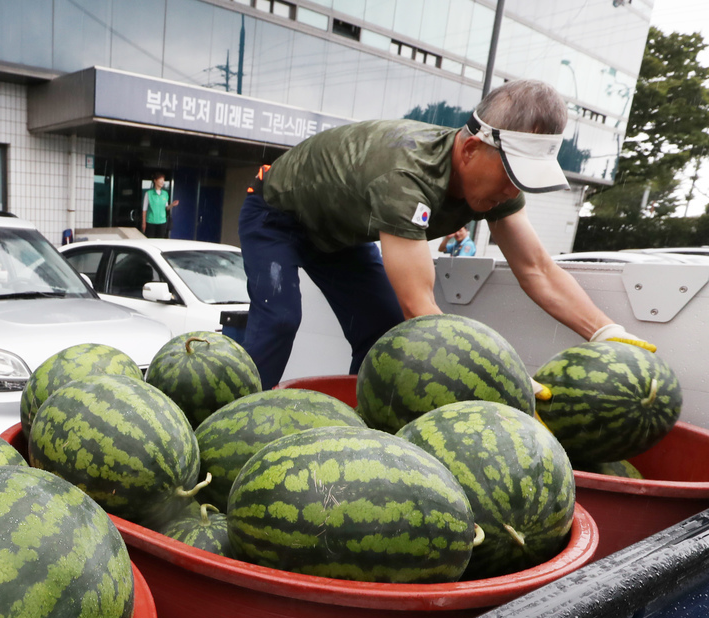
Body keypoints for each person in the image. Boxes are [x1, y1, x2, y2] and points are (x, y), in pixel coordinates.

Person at [226, 79, 655, 390]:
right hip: (277, 213)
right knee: (280, 318)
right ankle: (232, 419)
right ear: (470, 149)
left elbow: (537, 269)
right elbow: (420, 307)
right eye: (510, 174)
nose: (513, 191)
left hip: (343, 234)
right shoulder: (406, 175)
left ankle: (360, 426)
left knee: (384, 332)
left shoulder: (495, 184)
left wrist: (605, 331)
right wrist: (498, 375)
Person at [141, 173, 179, 238]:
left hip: (162, 222)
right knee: (150, 241)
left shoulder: (165, 194)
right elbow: (144, 209)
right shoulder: (148, 193)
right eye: (160, 179)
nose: (162, 182)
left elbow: (166, 208)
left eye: (163, 180)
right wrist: (144, 223)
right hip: (151, 222)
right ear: (155, 181)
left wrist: (172, 205)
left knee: (160, 241)